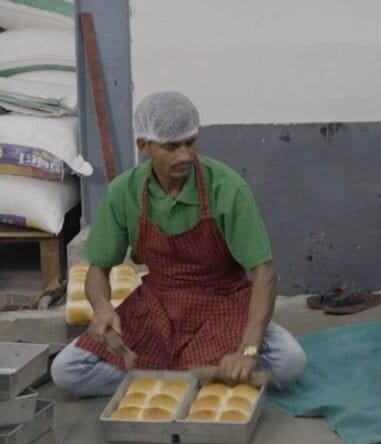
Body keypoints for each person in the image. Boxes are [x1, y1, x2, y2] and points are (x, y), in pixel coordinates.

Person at [51, 91, 306, 396]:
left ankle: (164, 378)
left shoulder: (227, 188)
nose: (184, 156)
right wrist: (103, 307)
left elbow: (264, 273)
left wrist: (249, 350)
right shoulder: (124, 192)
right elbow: (97, 270)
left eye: (190, 143)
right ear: (143, 145)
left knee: (290, 362)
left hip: (223, 301)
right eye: (171, 147)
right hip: (158, 304)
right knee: (67, 371)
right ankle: (198, 376)